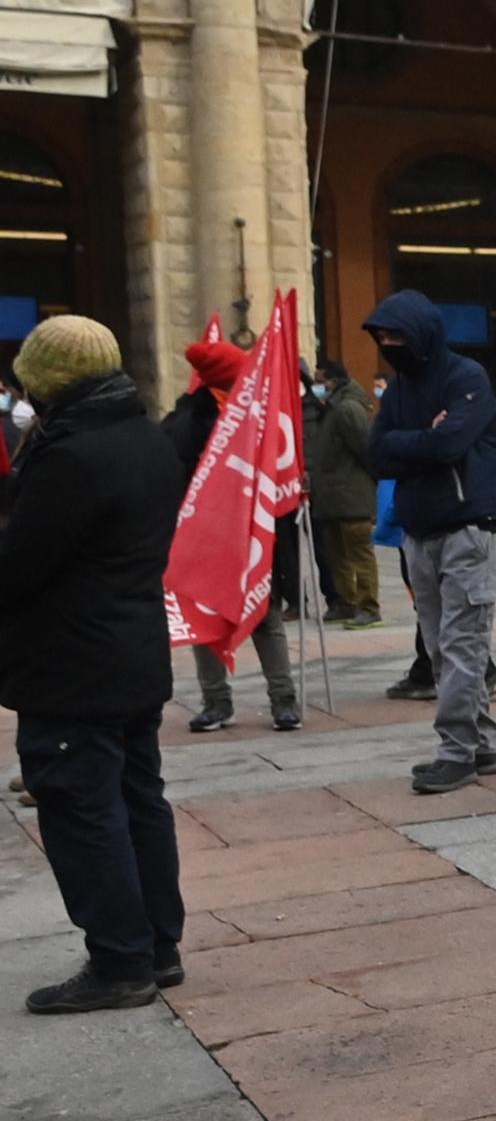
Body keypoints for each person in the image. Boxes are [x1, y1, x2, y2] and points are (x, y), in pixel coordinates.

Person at [0, 315, 188, 1013]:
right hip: (129, 651)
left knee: (83, 809)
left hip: (72, 662)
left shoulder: (74, 453)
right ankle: (156, 944)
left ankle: (118, 960)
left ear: (47, 379)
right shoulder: (143, 436)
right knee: (138, 798)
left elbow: (23, 564)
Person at [365, 292, 496, 792]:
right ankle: (481, 742)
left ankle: (457, 752)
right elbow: (375, 454)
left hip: (470, 524)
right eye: (381, 338)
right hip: (419, 528)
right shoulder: (400, 390)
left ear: (421, 334)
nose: (388, 345)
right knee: (439, 645)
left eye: (396, 337)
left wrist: (412, 442)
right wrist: (420, 440)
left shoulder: (466, 378)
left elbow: (449, 442)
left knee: (462, 642)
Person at [163, 330, 303, 732]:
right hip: (208, 540)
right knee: (206, 619)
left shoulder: (262, 410)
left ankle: (284, 701)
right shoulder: (186, 422)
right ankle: (216, 702)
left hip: (256, 535)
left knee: (265, 616)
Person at [305, 356, 381, 627]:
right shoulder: (331, 407)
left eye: (320, 381)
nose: (316, 386)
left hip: (352, 496)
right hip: (333, 497)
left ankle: (368, 606)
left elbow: (366, 448)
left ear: (334, 382)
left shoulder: (348, 408)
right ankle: (346, 603)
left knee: (358, 553)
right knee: (337, 554)